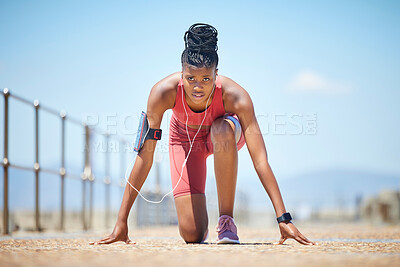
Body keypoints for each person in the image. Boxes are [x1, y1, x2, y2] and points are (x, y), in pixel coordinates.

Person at [89, 23, 315, 246]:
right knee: (191, 234)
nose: (198, 87)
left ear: (217, 75)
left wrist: (283, 218)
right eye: (190, 79)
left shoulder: (237, 97)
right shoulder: (162, 93)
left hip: (225, 135)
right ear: (181, 74)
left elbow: (260, 160)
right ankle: (200, 226)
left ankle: (226, 221)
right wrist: (121, 220)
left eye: (206, 79)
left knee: (221, 129)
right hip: (184, 141)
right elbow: (145, 155)